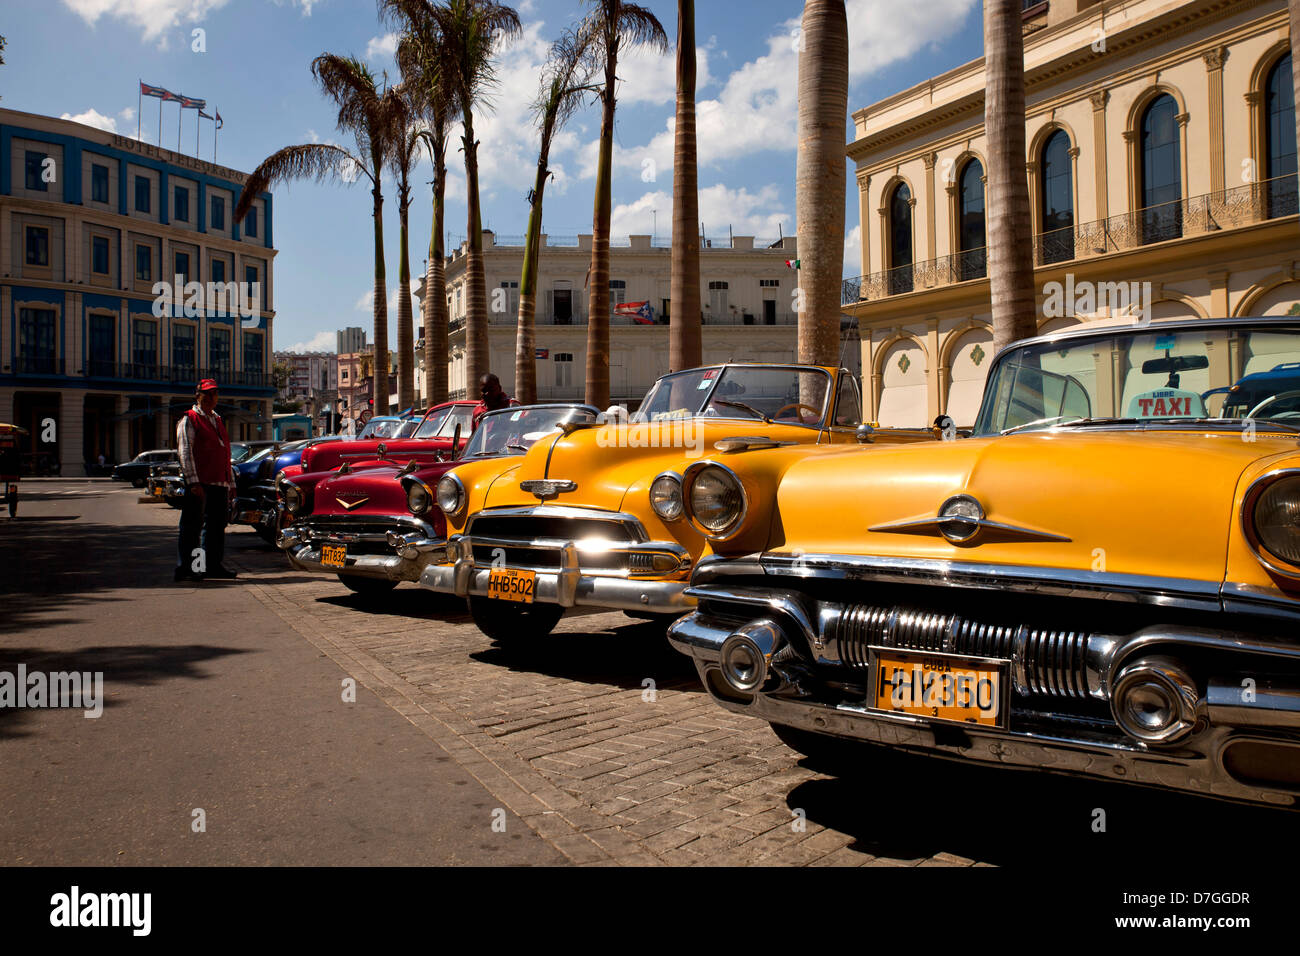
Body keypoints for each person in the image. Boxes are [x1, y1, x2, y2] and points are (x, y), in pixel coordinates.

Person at [175, 379, 237, 582]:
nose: (211, 398)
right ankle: (193, 567)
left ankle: (213, 566)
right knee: (193, 527)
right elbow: (185, 453)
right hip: (200, 483)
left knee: (216, 527)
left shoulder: (217, 419)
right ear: (198, 395)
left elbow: (224, 453)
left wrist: (231, 483)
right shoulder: (190, 419)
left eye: (215, 394)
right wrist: (193, 482)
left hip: (219, 483)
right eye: (207, 394)